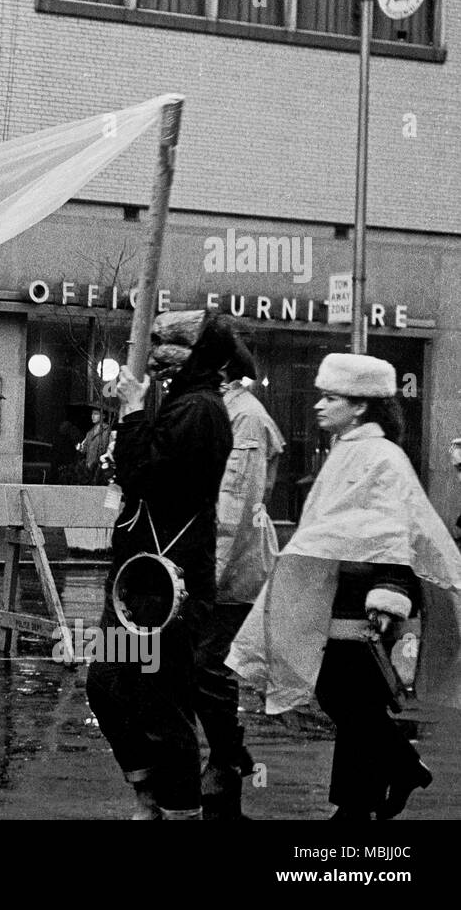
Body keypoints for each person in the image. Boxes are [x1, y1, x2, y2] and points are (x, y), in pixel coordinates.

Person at [229, 353, 461, 820]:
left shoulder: (380, 456)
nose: (319, 405)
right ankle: (365, 797)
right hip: (336, 592)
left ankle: (380, 785)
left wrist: (390, 594)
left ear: (359, 406)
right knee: (350, 698)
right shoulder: (351, 449)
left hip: (365, 601)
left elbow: (397, 528)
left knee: (347, 696)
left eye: (331, 397)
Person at [85, 310, 235, 820]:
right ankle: (148, 790)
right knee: (108, 683)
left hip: (170, 587)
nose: (155, 353)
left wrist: (130, 413)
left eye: (169, 345)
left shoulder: (200, 409)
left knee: (160, 700)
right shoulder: (178, 402)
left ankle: (178, 808)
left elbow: (145, 472)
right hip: (138, 580)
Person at [196, 346, 283, 819]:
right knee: (200, 666)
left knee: (209, 667)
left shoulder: (246, 418)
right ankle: (229, 759)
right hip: (217, 564)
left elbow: (233, 509)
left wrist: (205, 580)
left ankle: (227, 767)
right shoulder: (224, 410)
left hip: (232, 569)